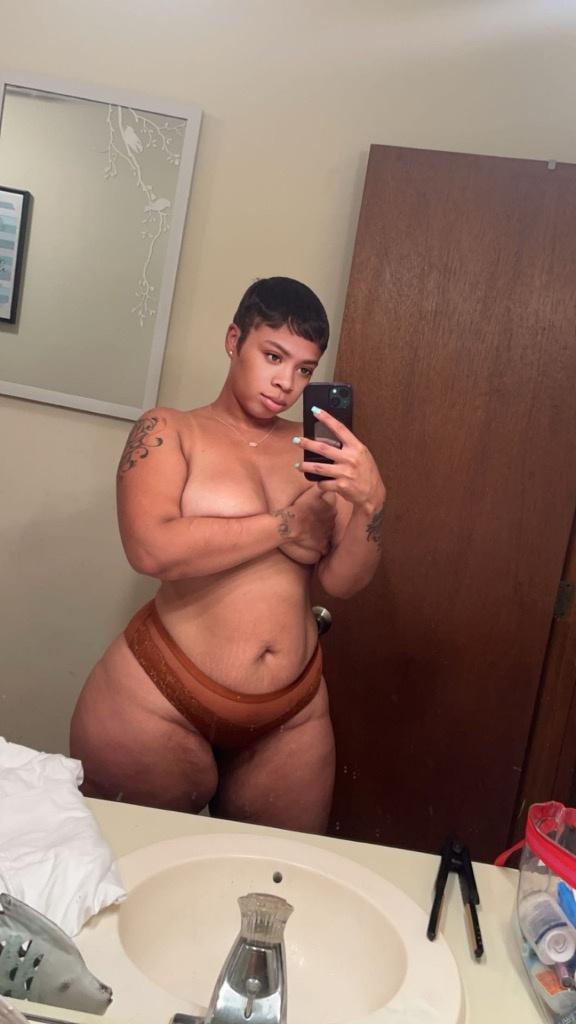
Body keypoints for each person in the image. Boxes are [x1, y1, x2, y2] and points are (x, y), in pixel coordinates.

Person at [70, 277, 385, 834]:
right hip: (158, 701)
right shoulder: (171, 429)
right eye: (273, 357)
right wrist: (285, 525)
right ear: (234, 340)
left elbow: (342, 581)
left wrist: (371, 502)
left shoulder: (317, 451)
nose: (286, 383)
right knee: (131, 870)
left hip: (291, 715)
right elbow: (151, 549)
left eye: (305, 369)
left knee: (277, 876)